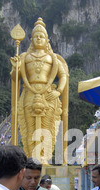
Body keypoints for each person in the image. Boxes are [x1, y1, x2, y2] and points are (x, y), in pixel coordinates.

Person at [11, 18, 69, 164]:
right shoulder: (24, 57)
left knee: (47, 128)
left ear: (47, 40)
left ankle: (44, 157)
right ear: (31, 40)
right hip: (29, 94)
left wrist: (59, 91)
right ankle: (30, 158)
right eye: (36, 36)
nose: (38, 38)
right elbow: (15, 78)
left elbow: (63, 76)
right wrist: (16, 67)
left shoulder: (53, 58)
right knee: (29, 129)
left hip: (48, 95)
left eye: (41, 36)